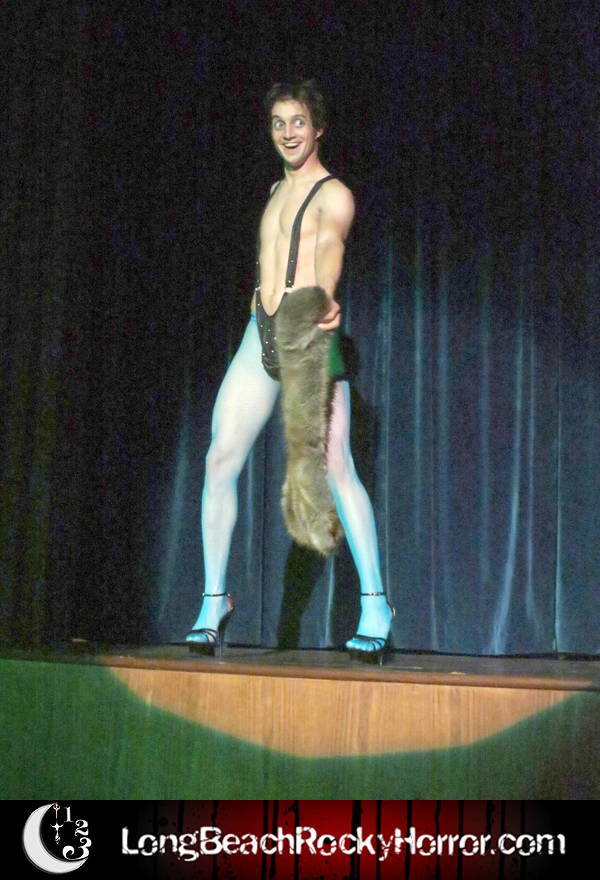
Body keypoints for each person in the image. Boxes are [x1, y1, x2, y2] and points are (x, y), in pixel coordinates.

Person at [186, 80, 394, 663]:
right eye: (278, 123)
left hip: (308, 335)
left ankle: (376, 605)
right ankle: (213, 601)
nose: (288, 133)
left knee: (337, 467)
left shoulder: (336, 195)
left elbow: (329, 252)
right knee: (219, 459)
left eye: (298, 121)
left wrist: (325, 295)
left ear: (318, 127)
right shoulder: (275, 190)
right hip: (262, 333)